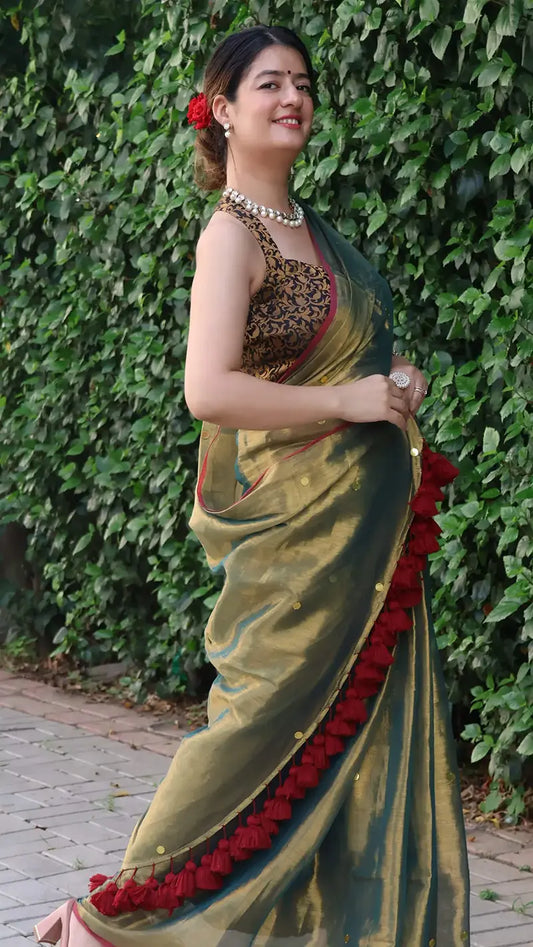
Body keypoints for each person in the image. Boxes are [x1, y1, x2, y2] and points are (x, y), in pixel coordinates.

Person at [35, 24, 470, 947]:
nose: (293, 98)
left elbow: (351, 357)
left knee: (361, 738)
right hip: (292, 541)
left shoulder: (316, 231)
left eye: (304, 83)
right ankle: (111, 919)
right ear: (221, 109)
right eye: (269, 83)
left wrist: (395, 378)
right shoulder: (229, 237)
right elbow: (209, 389)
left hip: (366, 536)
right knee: (253, 726)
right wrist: (350, 396)